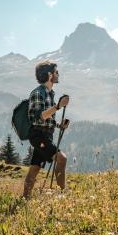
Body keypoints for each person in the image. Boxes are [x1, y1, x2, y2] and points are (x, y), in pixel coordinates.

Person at [22, 60, 70, 198]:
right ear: (49, 74)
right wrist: (58, 106)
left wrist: (59, 125)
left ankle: (25, 198)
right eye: (56, 72)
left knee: (35, 167)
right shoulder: (38, 93)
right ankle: (62, 195)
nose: (58, 74)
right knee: (62, 159)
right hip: (38, 136)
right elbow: (38, 118)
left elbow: (47, 118)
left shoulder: (50, 93)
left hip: (46, 135)